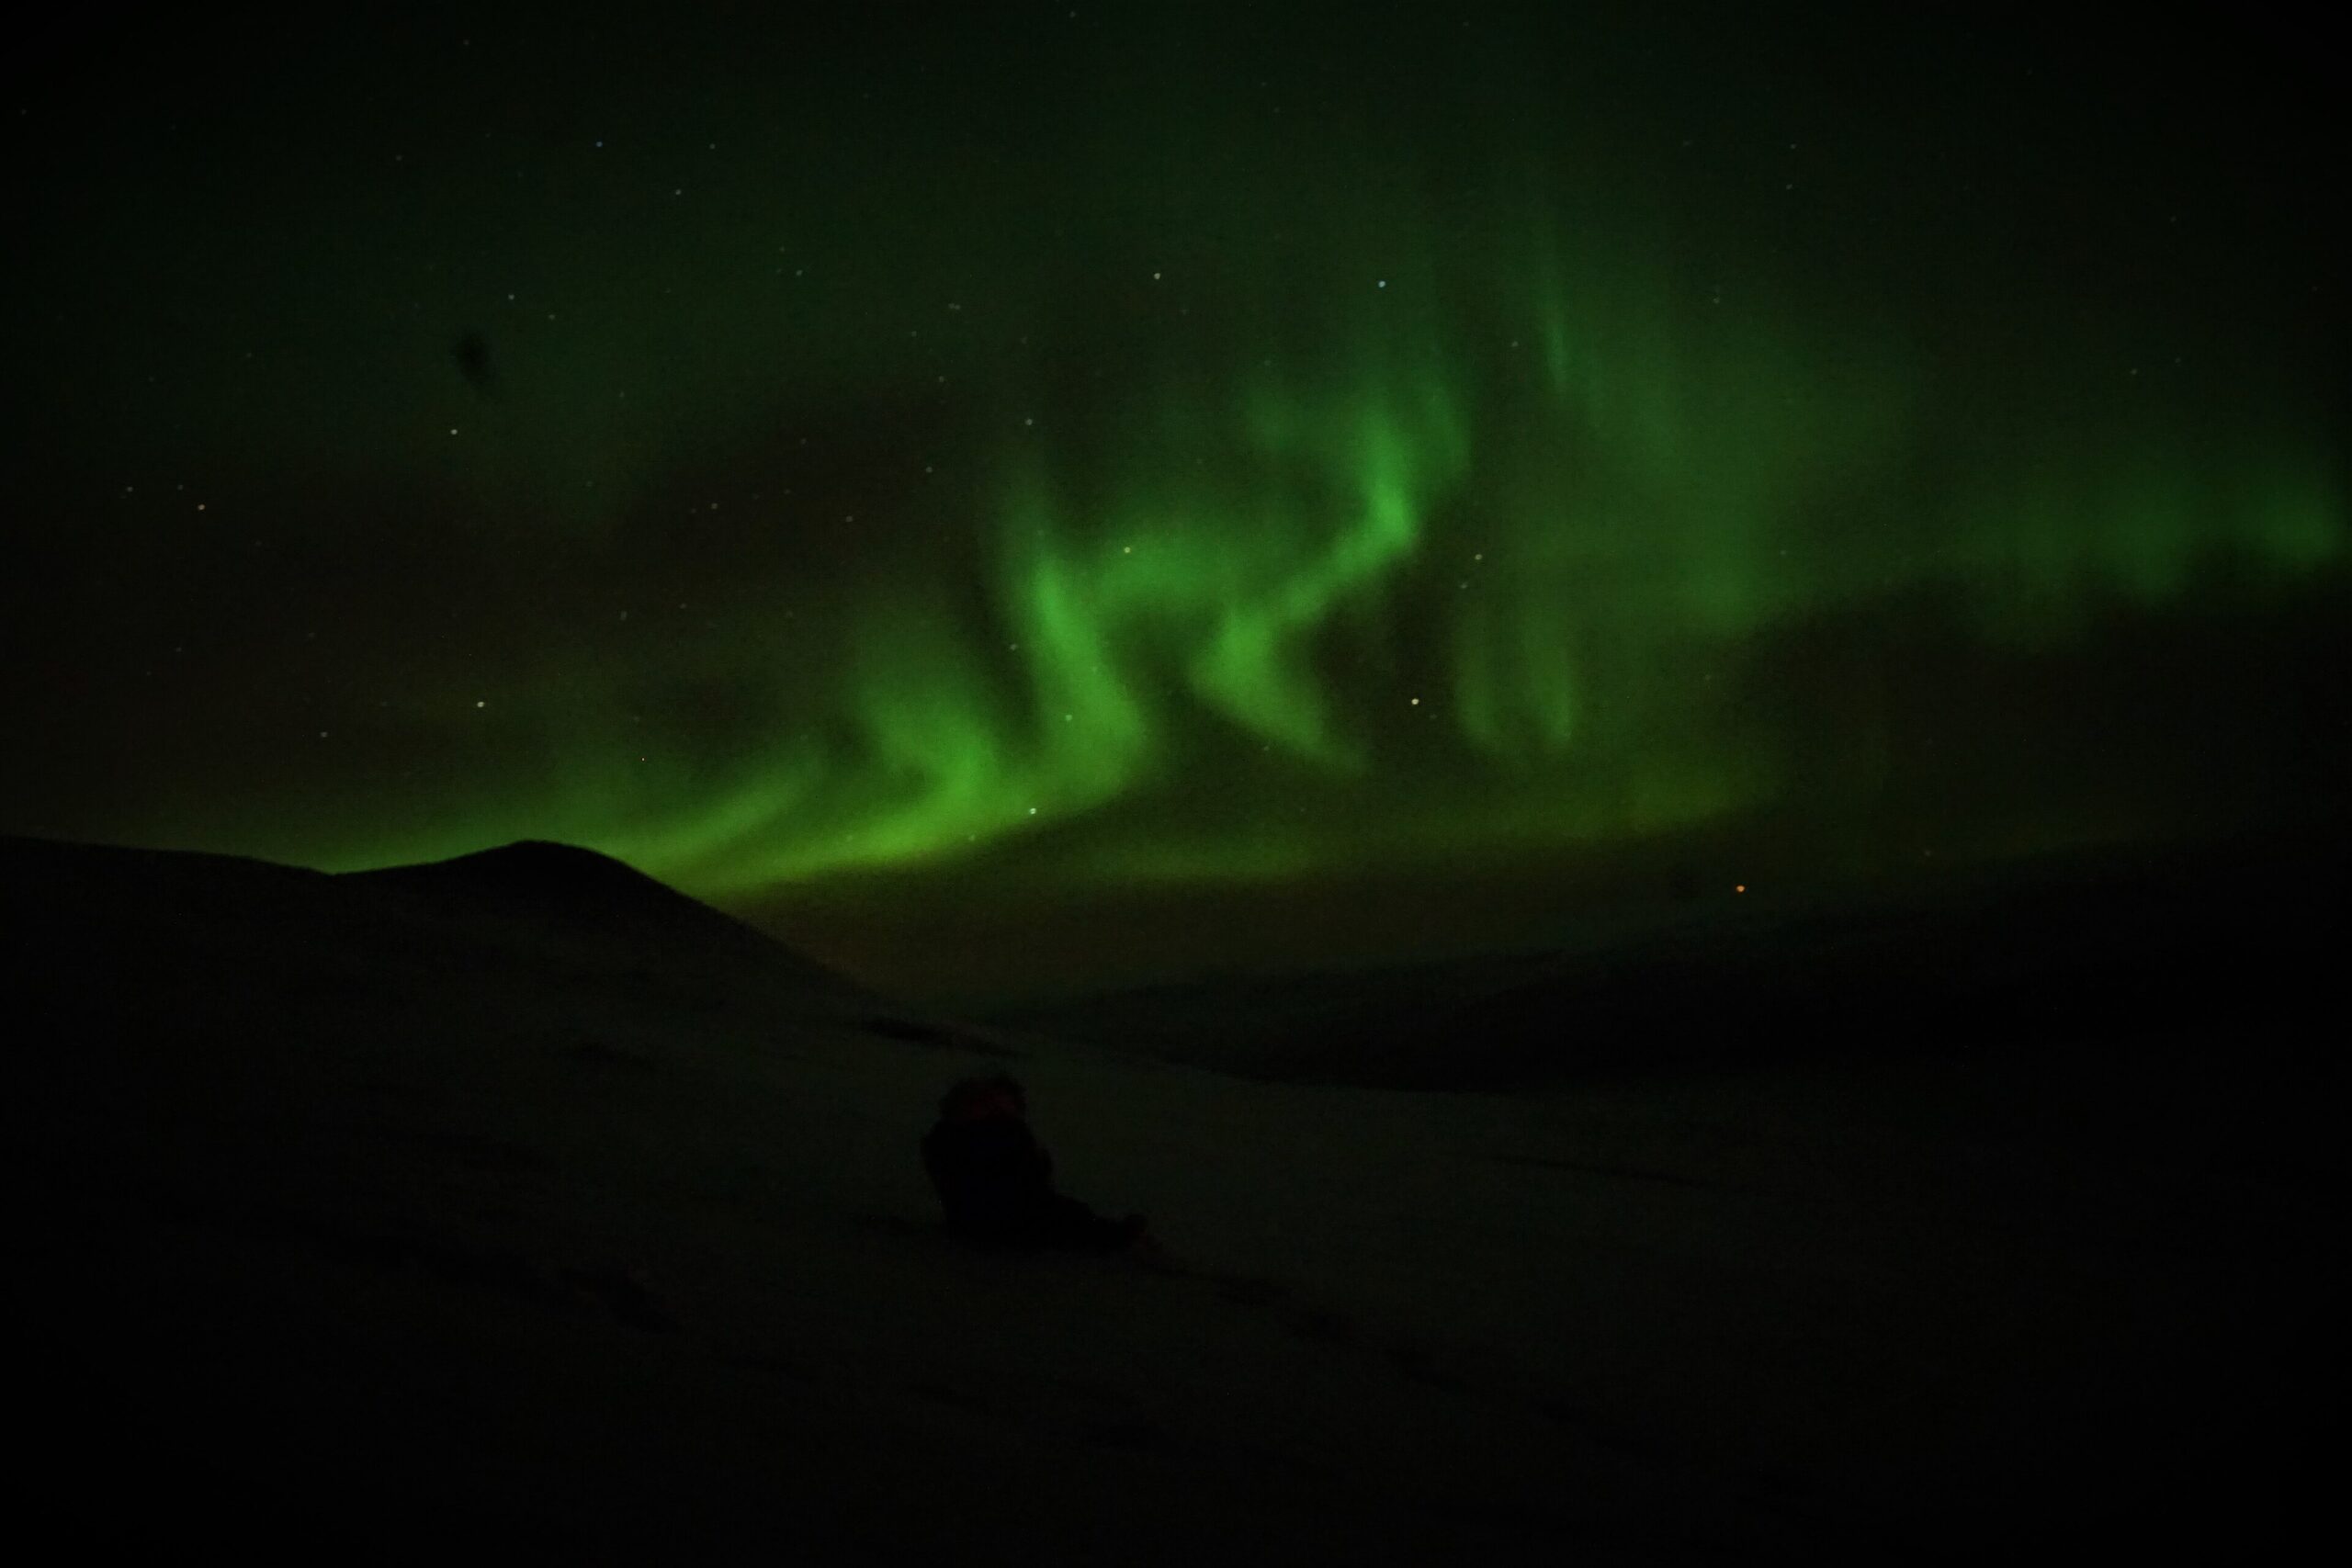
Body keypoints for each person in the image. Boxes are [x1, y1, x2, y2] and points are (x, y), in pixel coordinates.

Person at [921, 1075, 1147, 1252]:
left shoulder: (940, 1136)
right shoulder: (1005, 1133)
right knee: (1074, 1218)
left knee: (1073, 1214)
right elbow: (1031, 1187)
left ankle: (1118, 1236)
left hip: (966, 1221)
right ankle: (1124, 1239)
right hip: (1006, 1228)